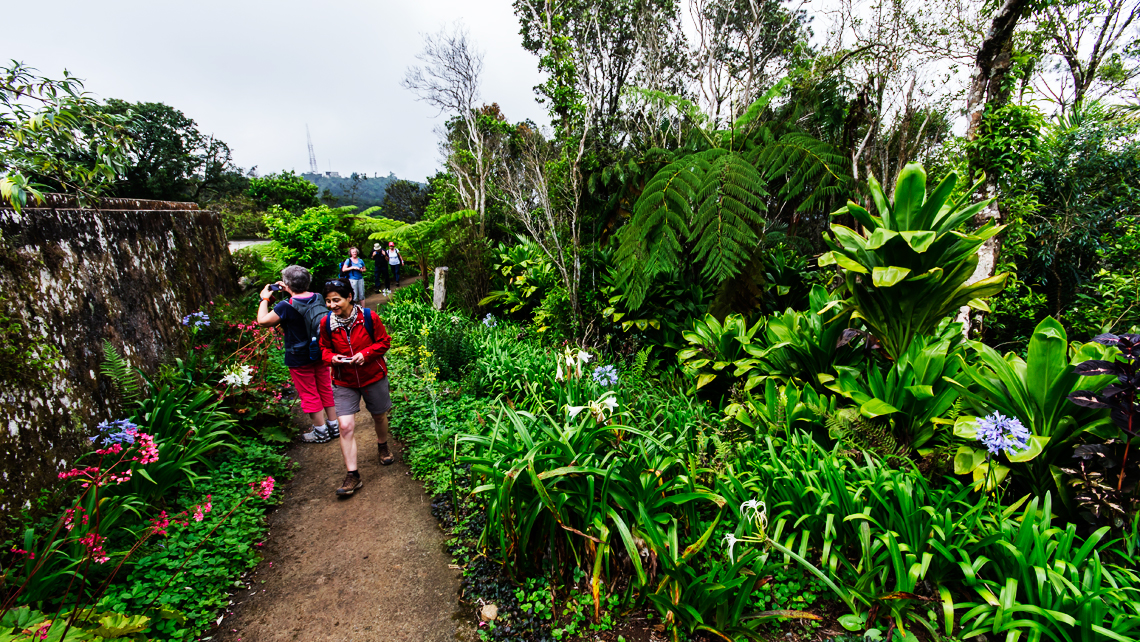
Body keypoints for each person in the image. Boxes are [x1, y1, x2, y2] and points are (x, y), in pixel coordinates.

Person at [319, 279, 394, 497]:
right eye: (328, 301)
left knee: (379, 416)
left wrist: (366, 354)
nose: (332, 305)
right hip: (344, 380)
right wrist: (334, 358)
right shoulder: (326, 324)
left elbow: (384, 342)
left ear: (349, 297)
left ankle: (382, 445)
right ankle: (353, 475)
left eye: (336, 300)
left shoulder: (369, 318)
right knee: (345, 426)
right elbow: (322, 350)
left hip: (373, 376)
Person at [256, 265, 339, 443]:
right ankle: (334, 426)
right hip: (320, 351)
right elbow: (304, 301)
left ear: (286, 284)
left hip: (299, 356)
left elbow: (262, 321)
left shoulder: (285, 306)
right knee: (325, 387)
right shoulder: (318, 297)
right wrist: (290, 289)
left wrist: (265, 297)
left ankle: (320, 432)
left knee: (309, 393)